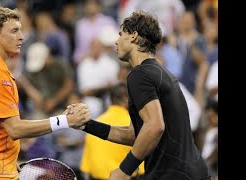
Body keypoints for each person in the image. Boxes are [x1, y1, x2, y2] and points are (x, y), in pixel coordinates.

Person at [0, 7, 91, 180]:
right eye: (14, 31)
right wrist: (65, 121)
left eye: (21, 29)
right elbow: (15, 128)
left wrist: (5, 156)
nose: (22, 36)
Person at [71, 10, 210, 180]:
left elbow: (154, 126)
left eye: (121, 34)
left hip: (172, 175)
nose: (116, 41)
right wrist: (87, 125)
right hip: (192, 172)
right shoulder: (159, 72)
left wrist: (124, 170)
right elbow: (135, 135)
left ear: (133, 36)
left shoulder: (139, 75)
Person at [80, 82, 144, 180]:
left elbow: (86, 168)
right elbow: (144, 168)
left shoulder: (96, 124)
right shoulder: (135, 125)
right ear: (126, 99)